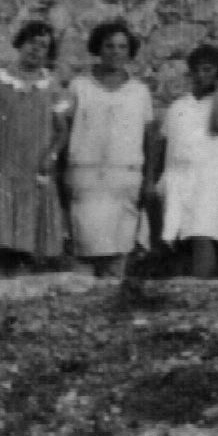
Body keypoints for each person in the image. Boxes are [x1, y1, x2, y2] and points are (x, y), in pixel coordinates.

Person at [0, 19, 70, 276]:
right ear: (20, 44)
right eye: (31, 43)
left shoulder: (52, 86)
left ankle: (20, 288)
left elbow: (62, 130)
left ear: (48, 53)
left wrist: (52, 155)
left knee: (28, 239)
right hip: (3, 167)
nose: (35, 50)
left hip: (33, 169)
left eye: (43, 47)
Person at [62, 19, 154, 278]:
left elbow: (149, 138)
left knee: (119, 250)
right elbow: (65, 132)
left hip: (124, 179)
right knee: (84, 247)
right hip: (87, 179)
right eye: (109, 46)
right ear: (98, 49)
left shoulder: (139, 92)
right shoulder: (79, 87)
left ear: (130, 52)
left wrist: (147, 181)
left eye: (122, 47)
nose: (116, 52)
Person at [150, 44, 218, 280]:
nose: (202, 76)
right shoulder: (178, 106)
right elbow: (160, 144)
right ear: (190, 73)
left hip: (211, 179)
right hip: (178, 178)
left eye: (208, 70)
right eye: (197, 71)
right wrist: (151, 180)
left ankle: (201, 292)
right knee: (176, 238)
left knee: (203, 234)